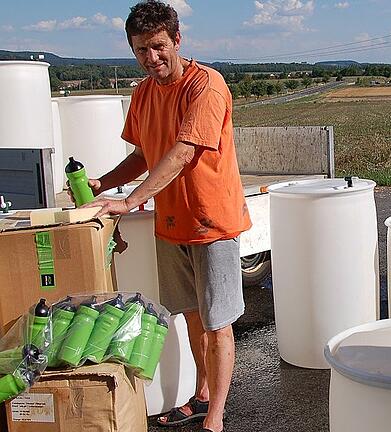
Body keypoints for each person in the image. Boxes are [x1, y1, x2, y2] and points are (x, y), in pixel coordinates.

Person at [82, 2, 251, 431]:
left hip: (212, 222)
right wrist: (103, 184)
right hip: (171, 224)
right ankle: (202, 395)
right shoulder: (142, 93)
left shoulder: (205, 86)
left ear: (177, 39)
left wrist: (131, 200)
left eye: (158, 46)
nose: (151, 57)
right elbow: (142, 154)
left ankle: (216, 418)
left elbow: (183, 151)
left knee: (218, 325)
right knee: (192, 316)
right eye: (141, 50)